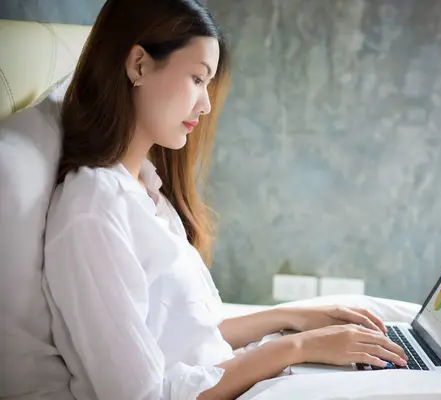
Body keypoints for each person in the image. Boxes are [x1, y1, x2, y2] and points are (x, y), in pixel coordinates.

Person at [42, 0, 408, 399]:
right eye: (198, 79)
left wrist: (296, 318)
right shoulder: (93, 211)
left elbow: (189, 334)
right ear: (139, 65)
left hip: (241, 377)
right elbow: (144, 395)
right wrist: (300, 345)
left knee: (386, 332)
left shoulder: (143, 186)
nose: (206, 104)